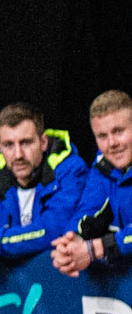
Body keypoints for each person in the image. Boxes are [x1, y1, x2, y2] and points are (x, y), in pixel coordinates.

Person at [0, 102, 87, 267]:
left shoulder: (70, 171)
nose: (18, 155)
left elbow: (54, 231)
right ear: (0, 147)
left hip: (66, 281)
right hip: (22, 286)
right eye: (9, 145)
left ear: (43, 142)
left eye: (26, 143)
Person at [51, 89, 132, 277]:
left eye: (118, 131)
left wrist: (96, 249)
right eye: (102, 136)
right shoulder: (103, 166)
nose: (112, 143)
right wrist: (70, 242)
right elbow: (87, 212)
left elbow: (96, 248)